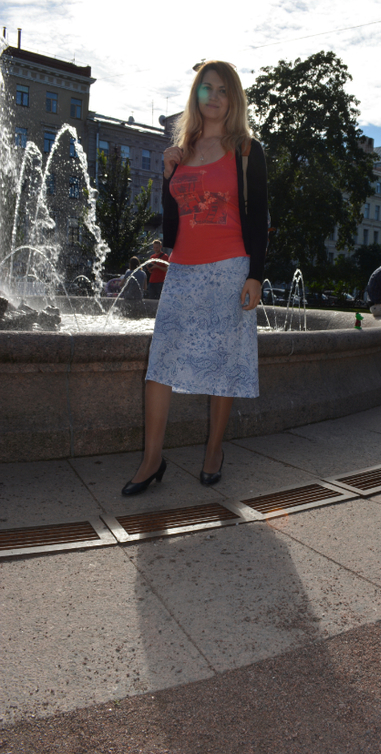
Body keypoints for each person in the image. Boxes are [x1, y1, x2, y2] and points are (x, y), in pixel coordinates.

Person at [121, 60, 268, 496]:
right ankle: (152, 459)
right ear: (196, 95)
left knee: (223, 363)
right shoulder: (180, 151)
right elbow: (172, 228)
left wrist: (256, 276)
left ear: (233, 98)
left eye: (223, 90)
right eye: (207, 88)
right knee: (159, 363)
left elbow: (259, 218)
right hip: (183, 270)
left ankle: (213, 451)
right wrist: (167, 177)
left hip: (230, 268)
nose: (214, 97)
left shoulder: (246, 150)